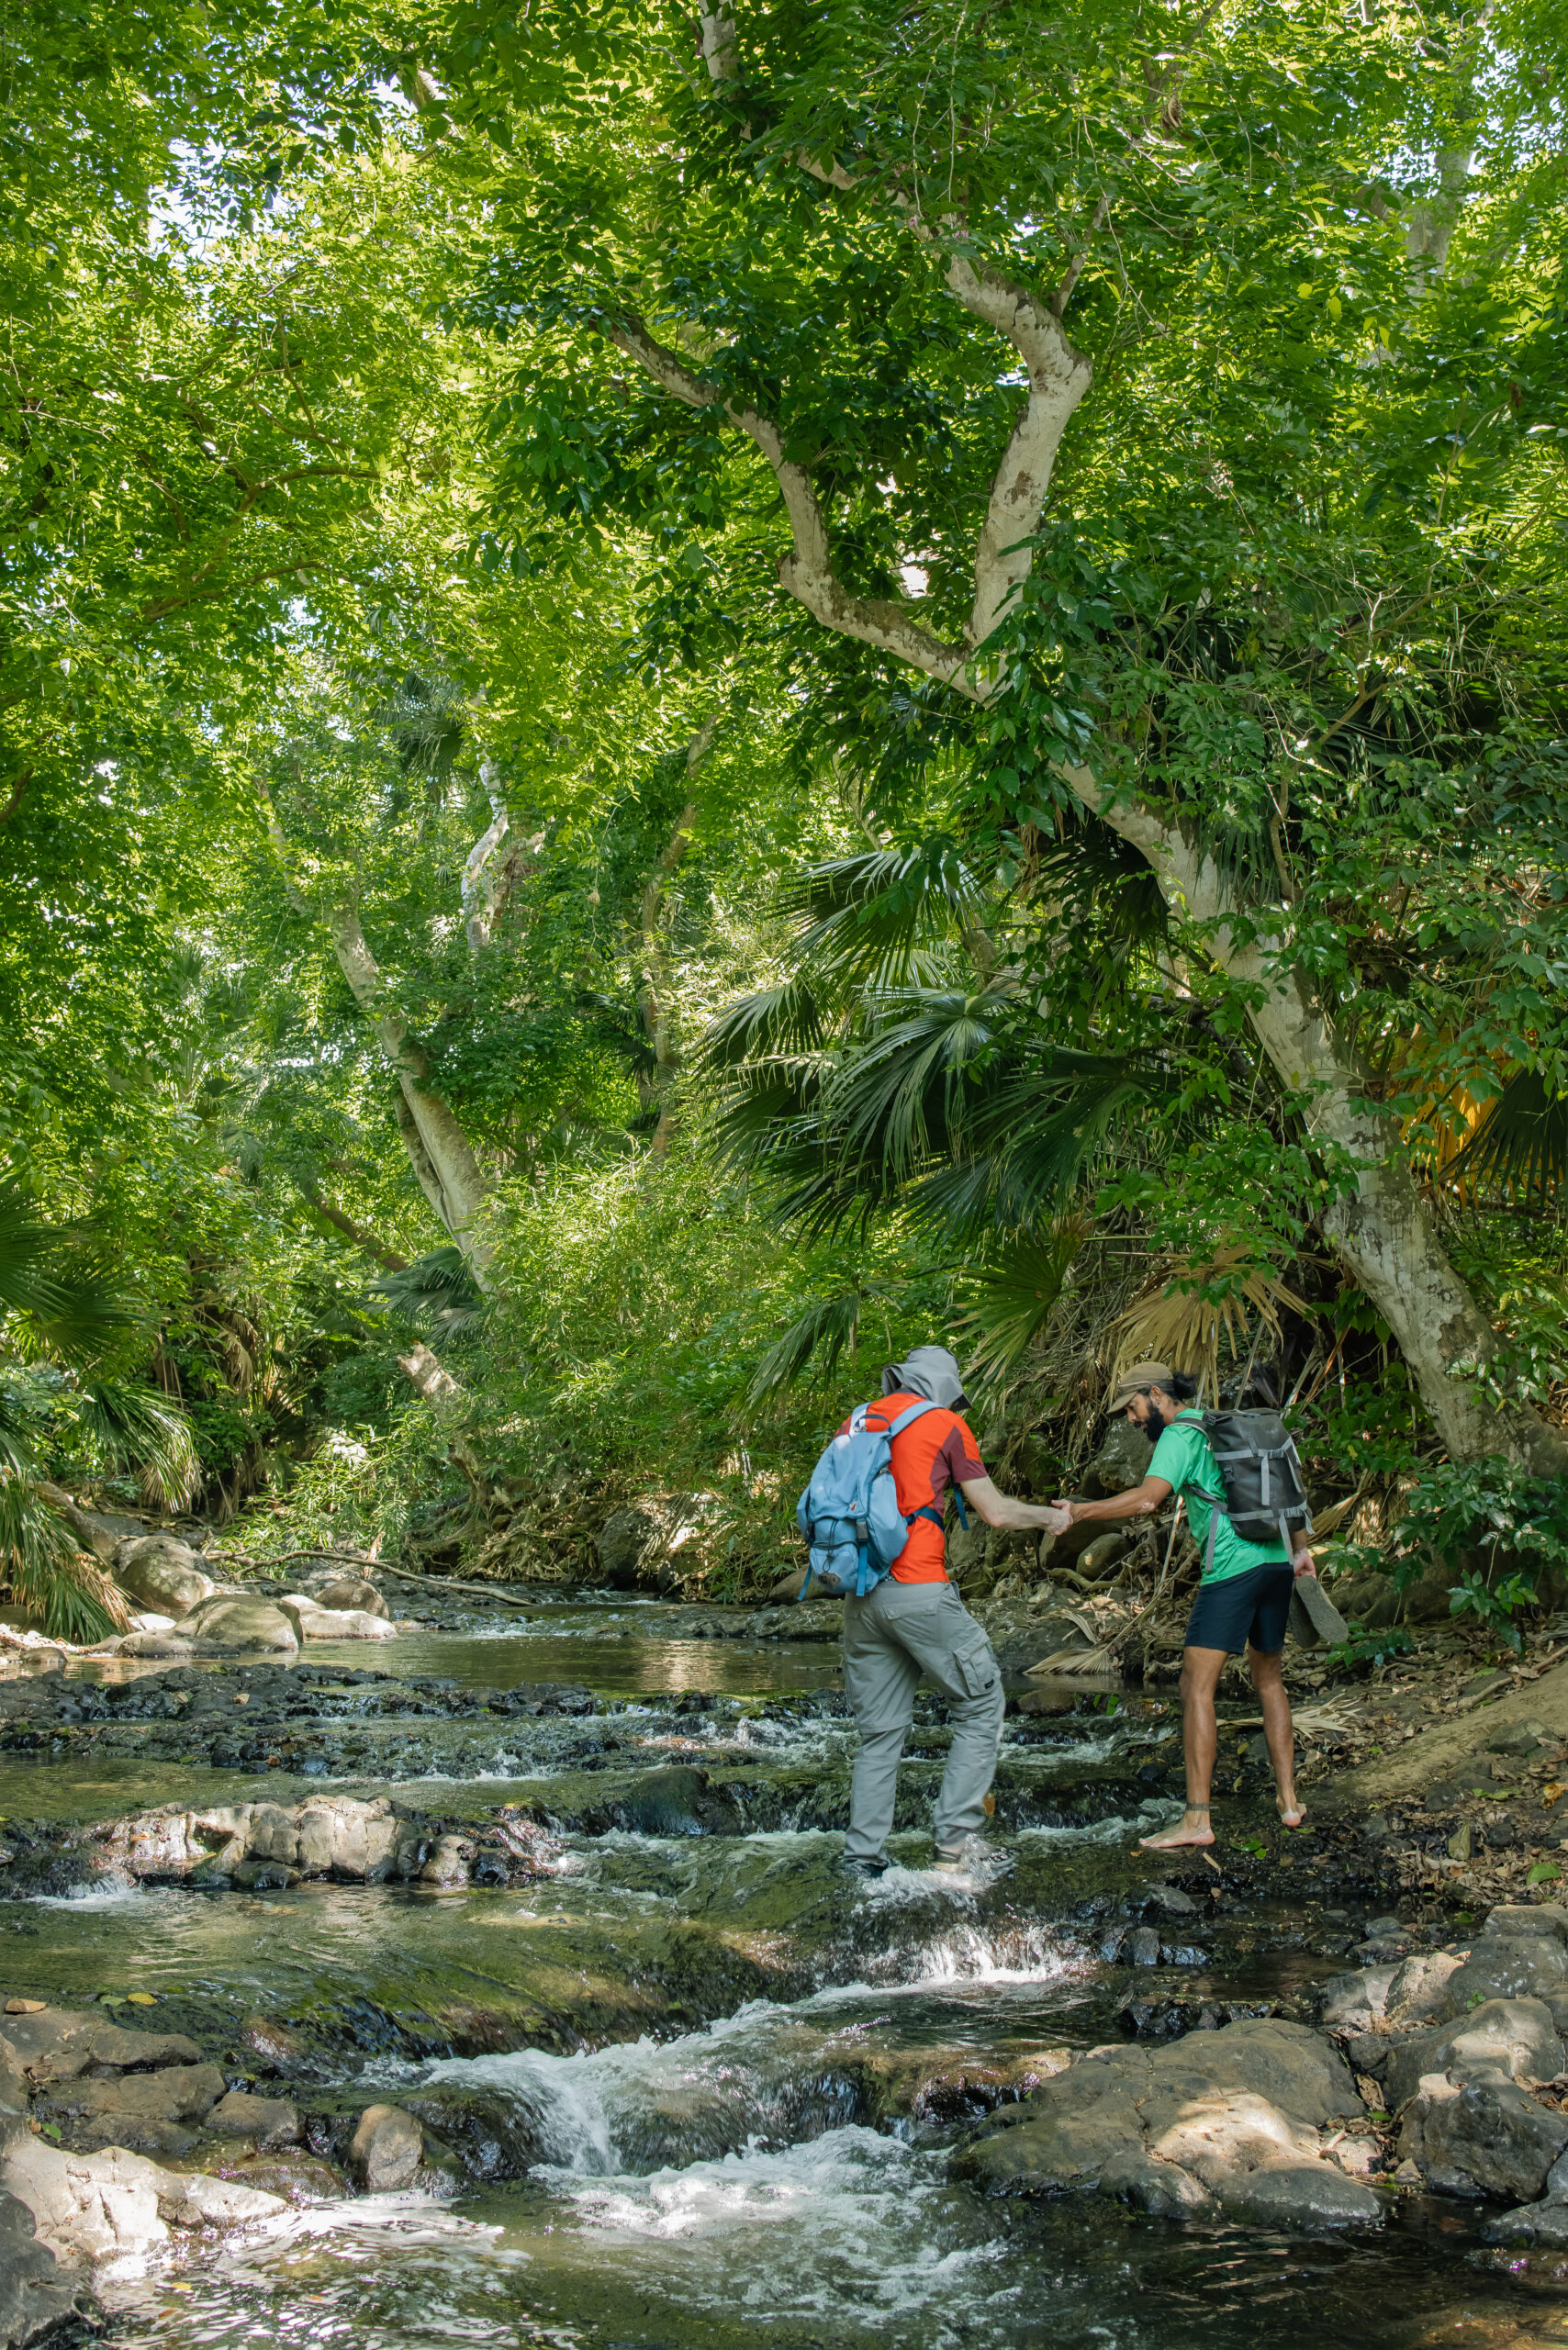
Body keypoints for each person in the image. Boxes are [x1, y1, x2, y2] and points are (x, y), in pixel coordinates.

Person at [1051, 1360, 1316, 1852]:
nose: (1132, 1420)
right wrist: (1301, 1552)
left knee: (1196, 1686)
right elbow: (1286, 1488)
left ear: (1156, 1394)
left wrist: (1081, 1510)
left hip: (1233, 1568)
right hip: (1278, 1559)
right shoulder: (1221, 1427)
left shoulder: (1179, 1435)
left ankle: (1196, 1820)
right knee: (1270, 1679)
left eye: (1133, 1408)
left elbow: (1149, 1500)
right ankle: (1289, 1802)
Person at [840, 1345, 1069, 1880]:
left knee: (880, 1735)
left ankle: (862, 1861)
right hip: (918, 1592)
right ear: (943, 1387)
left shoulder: (856, 1421)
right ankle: (952, 1851)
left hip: (859, 1595)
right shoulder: (944, 1425)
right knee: (982, 1702)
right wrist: (1049, 1518)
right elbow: (995, 1511)